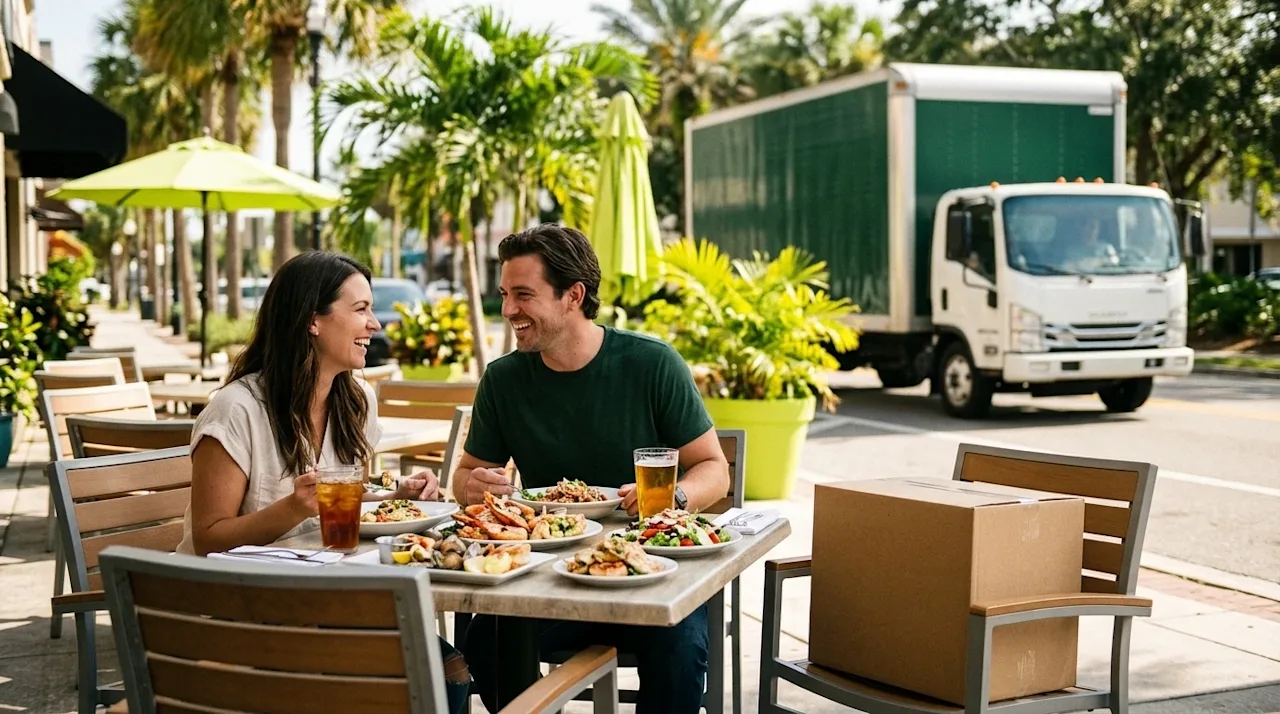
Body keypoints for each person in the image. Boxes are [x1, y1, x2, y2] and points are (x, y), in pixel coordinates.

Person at [175, 251, 470, 714]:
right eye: (361, 309)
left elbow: (342, 500)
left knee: (445, 667)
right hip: (242, 608)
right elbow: (207, 540)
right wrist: (293, 508)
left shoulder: (356, 400)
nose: (375, 323)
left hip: (327, 595)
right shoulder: (236, 410)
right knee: (422, 670)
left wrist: (394, 497)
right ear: (313, 321)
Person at [456, 224, 730, 714]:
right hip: (546, 580)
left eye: (523, 295)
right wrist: (474, 486)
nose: (508, 310)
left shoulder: (652, 364)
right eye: (504, 294)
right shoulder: (503, 379)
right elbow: (466, 477)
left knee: (682, 650)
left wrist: (675, 498)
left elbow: (713, 466)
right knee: (484, 640)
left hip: (651, 572)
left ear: (574, 296)